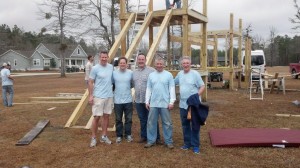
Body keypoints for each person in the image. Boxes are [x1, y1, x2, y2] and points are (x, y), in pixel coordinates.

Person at [174, 56, 205, 154]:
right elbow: (172, 83)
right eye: (184, 63)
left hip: (193, 105)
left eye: (187, 63)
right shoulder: (179, 74)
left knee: (195, 125)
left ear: (190, 64)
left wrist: (197, 95)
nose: (186, 65)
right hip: (183, 105)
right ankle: (187, 143)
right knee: (185, 125)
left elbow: (202, 86)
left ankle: (195, 145)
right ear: (181, 64)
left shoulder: (195, 74)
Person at [144, 57, 176, 149]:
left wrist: (172, 101)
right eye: (157, 64)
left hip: (165, 104)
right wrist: (147, 101)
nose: (159, 65)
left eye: (161, 64)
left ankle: (168, 141)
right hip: (153, 103)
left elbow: (172, 88)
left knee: (167, 123)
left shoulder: (169, 75)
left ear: (164, 65)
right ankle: (151, 141)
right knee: (151, 123)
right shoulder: (151, 75)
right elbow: (148, 89)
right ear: (155, 65)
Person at [133, 53, 161, 144]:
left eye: (142, 59)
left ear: (145, 60)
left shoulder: (152, 71)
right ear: (137, 60)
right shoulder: (134, 72)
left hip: (150, 100)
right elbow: (131, 84)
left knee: (152, 119)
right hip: (138, 100)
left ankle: (157, 137)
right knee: (142, 119)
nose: (141, 61)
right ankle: (144, 136)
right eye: (139, 59)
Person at [88, 51, 114, 147]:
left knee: (106, 116)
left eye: (105, 57)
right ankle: (94, 138)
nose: (104, 59)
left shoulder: (111, 67)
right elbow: (90, 82)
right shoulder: (95, 68)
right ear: (99, 58)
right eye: (102, 57)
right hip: (98, 96)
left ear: (108, 57)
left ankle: (104, 136)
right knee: (96, 117)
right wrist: (90, 95)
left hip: (109, 96)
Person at [112, 57, 134, 143]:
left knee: (129, 119)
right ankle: (119, 135)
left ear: (126, 64)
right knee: (118, 119)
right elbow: (113, 84)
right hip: (117, 100)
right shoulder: (114, 73)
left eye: (124, 63)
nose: (122, 64)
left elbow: (132, 84)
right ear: (118, 64)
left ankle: (128, 134)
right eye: (120, 63)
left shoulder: (130, 73)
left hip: (128, 100)